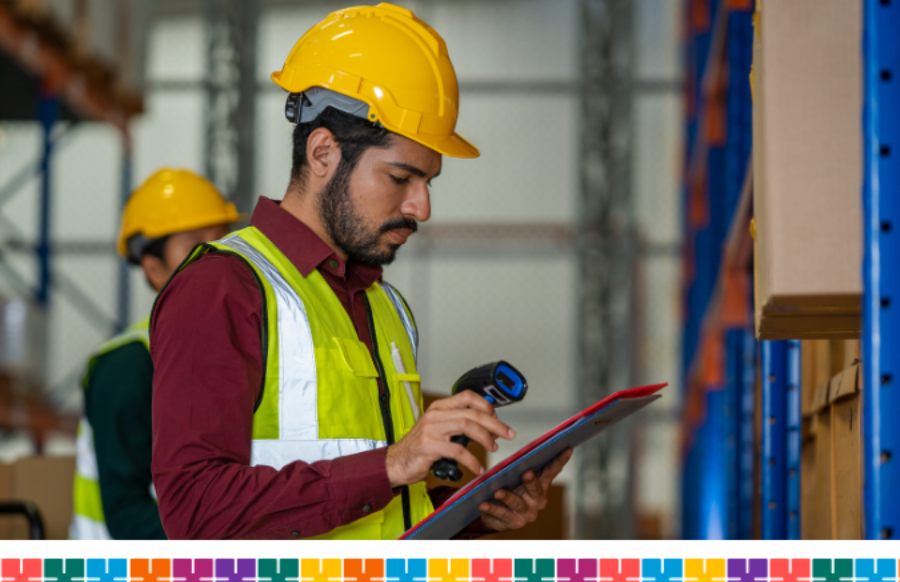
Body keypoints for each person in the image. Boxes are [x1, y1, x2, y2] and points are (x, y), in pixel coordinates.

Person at [150, 2, 572, 540]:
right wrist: (393, 464)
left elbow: (389, 515)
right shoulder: (223, 289)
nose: (421, 207)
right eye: (401, 177)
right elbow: (195, 513)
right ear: (323, 152)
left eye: (428, 183)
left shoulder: (386, 306)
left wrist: (480, 517)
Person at [69, 168, 241, 540]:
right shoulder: (127, 367)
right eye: (195, 245)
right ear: (153, 269)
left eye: (225, 242)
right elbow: (127, 516)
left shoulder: (236, 350)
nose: (217, 259)